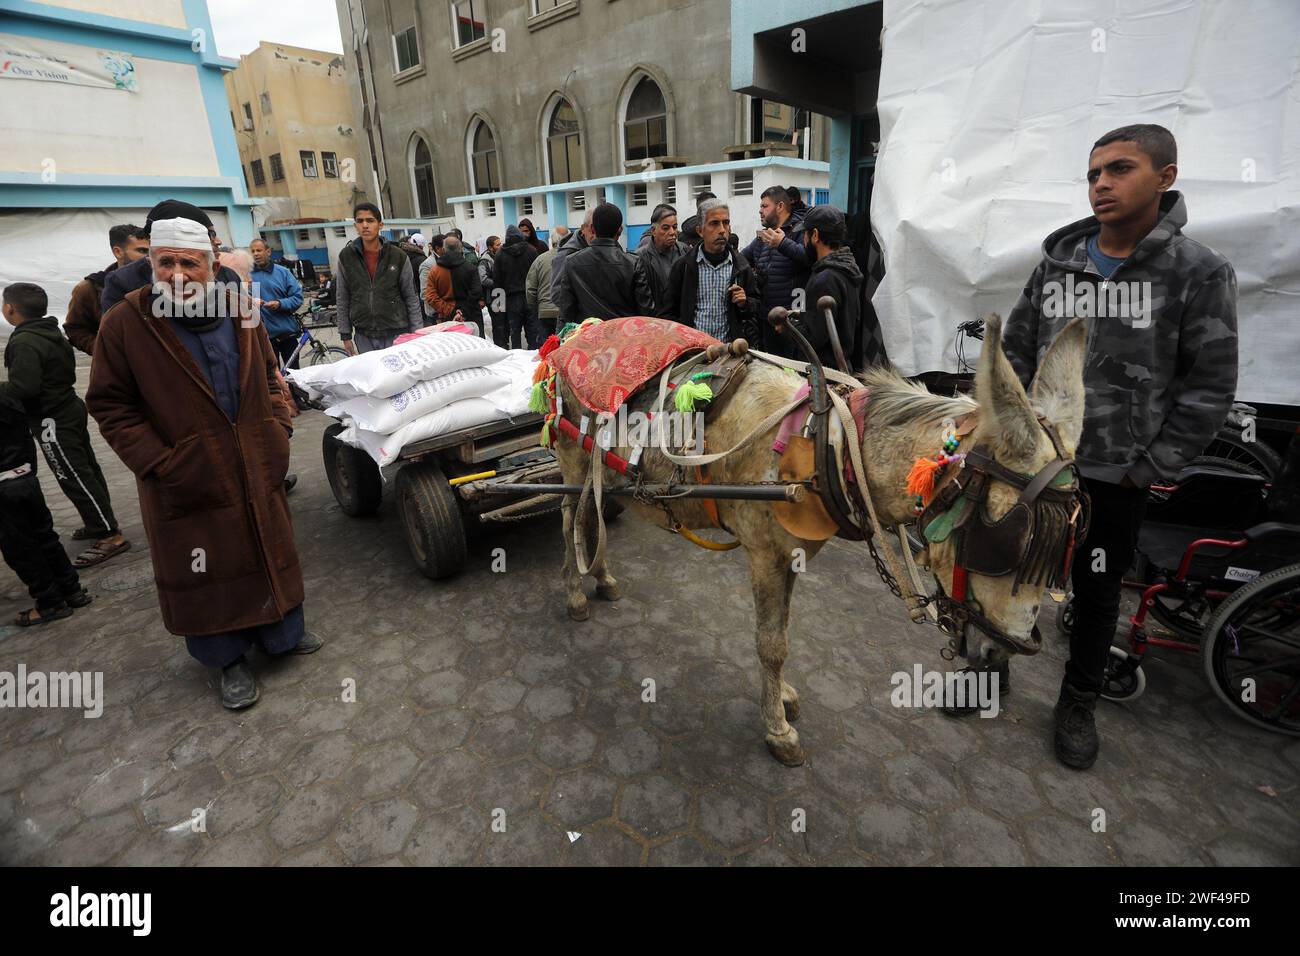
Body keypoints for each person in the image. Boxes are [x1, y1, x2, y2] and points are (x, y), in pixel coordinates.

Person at [991, 124, 1238, 770]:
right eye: (1094, 172)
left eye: (1120, 169)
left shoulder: (1199, 274)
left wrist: (1151, 467)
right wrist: (1007, 432)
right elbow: (1017, 348)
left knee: (1098, 591)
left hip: (1114, 477)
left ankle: (1078, 701)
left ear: (1166, 176)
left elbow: (1209, 385)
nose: (1101, 183)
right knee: (1007, 566)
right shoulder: (1060, 263)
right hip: (1038, 466)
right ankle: (989, 666)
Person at [87, 216, 322, 710]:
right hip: (185, 474)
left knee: (264, 542)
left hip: (256, 460)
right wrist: (161, 463)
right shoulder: (126, 323)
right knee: (205, 564)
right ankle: (226, 660)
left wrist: (278, 429)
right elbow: (109, 406)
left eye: (188, 263)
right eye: (164, 262)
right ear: (150, 264)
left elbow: (270, 374)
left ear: (211, 268)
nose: (176, 274)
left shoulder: (242, 310)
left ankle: (281, 636)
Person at [0, 283, 131, 569]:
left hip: (51, 418)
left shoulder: (24, 342)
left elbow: (25, 387)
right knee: (85, 469)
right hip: (67, 407)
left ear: (9, 309)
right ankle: (99, 521)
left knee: (72, 474)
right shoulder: (48, 331)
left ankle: (110, 534)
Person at [0, 388, 89, 626]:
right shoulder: (8, 395)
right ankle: (72, 591)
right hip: (26, 479)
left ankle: (51, 603)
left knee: (21, 550)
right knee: (45, 538)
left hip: (4, 488)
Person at [101, 200, 241, 313]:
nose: (218, 241)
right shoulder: (122, 282)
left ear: (215, 269)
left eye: (189, 264)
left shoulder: (228, 276)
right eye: (210, 234)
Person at [799, 204, 888, 371]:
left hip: (823, 375)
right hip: (843, 368)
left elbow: (814, 338)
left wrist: (788, 328)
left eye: (805, 234)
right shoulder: (847, 269)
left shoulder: (825, 279)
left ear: (815, 235)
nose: (803, 240)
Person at [662, 199, 759, 342]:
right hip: (694, 352)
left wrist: (744, 303)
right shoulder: (684, 266)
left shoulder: (741, 266)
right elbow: (668, 312)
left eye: (725, 223)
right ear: (700, 231)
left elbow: (756, 306)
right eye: (714, 223)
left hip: (729, 353)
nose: (722, 230)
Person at [336, 203, 423, 354]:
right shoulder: (346, 257)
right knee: (370, 376)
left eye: (370, 220)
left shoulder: (398, 256)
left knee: (397, 376)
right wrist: (345, 334)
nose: (365, 225)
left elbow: (411, 296)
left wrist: (418, 333)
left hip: (396, 333)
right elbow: (342, 297)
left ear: (380, 224)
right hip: (364, 335)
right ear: (355, 225)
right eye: (360, 221)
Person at [554, 203, 653, 322]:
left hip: (587, 335)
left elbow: (566, 312)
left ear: (592, 228)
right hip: (623, 335)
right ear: (619, 230)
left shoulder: (572, 262)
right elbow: (646, 310)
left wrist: (560, 339)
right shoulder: (633, 263)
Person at [742, 185, 809, 355]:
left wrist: (782, 243)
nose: (760, 211)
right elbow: (741, 260)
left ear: (780, 206)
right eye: (760, 207)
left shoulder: (799, 230)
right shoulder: (762, 237)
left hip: (792, 321)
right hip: (767, 320)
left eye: (764, 206)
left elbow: (809, 258)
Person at [64, 224, 149, 356]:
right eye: (142, 251)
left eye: (152, 252)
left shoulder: (163, 281)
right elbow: (75, 328)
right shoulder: (90, 288)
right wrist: (103, 350)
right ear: (118, 252)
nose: (148, 257)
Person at [249, 239, 304, 369]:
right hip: (263, 339)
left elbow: (297, 298)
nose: (255, 254)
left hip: (286, 335)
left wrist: (280, 304)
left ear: (268, 252)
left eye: (259, 250)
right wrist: (251, 302)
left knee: (294, 375)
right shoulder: (246, 276)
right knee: (273, 379)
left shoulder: (283, 273)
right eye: (252, 251)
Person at [491, 225, 541, 349]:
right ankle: (533, 357)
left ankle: (517, 357)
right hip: (530, 297)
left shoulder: (500, 254)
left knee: (515, 331)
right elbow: (537, 276)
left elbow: (497, 282)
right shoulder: (531, 250)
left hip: (511, 299)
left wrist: (499, 306)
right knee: (532, 331)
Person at [635, 203, 687, 316]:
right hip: (656, 323)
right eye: (666, 228)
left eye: (675, 227)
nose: (672, 232)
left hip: (682, 322)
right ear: (653, 230)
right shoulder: (640, 258)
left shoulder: (685, 251)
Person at [425, 235, 484, 333]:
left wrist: (450, 311)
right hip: (472, 314)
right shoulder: (470, 268)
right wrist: (462, 312)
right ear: (461, 248)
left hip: (448, 318)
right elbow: (476, 292)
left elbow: (430, 296)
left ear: (444, 249)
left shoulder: (435, 271)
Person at [548, 211, 593, 330]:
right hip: (574, 327)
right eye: (592, 229)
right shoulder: (567, 254)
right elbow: (557, 294)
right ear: (583, 229)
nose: (596, 235)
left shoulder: (597, 249)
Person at [526, 231, 563, 334]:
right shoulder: (572, 257)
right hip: (565, 311)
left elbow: (530, 288)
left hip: (544, 311)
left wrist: (534, 307)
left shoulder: (540, 259)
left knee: (546, 345)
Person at [478, 235, 503, 346]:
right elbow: (483, 279)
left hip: (500, 295)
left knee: (502, 323)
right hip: (492, 296)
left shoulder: (499, 257)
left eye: (500, 243)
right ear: (490, 247)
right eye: (497, 244)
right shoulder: (485, 261)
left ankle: (503, 343)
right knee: (498, 323)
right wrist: (497, 284)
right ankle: (499, 345)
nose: (500, 246)